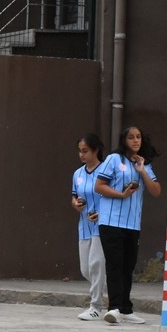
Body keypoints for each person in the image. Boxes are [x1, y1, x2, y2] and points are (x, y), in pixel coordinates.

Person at [95, 125, 162, 325]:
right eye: (131, 137)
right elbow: (99, 186)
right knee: (115, 265)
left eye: (138, 137)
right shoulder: (113, 160)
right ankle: (114, 307)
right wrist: (121, 194)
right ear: (124, 140)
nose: (135, 141)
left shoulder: (145, 165)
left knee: (128, 266)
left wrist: (142, 172)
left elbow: (156, 191)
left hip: (132, 224)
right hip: (110, 221)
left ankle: (125, 308)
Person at [71, 133, 106, 321]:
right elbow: (74, 197)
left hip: (102, 225)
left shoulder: (106, 171)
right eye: (80, 151)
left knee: (97, 264)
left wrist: (101, 213)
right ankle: (117, 295)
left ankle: (96, 306)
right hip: (84, 225)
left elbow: (111, 196)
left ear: (96, 150)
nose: (82, 155)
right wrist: (77, 204)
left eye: (85, 151)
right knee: (86, 269)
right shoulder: (77, 174)